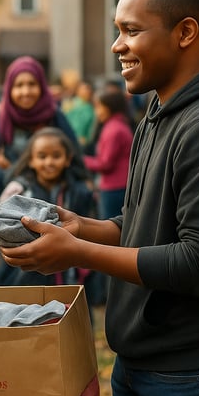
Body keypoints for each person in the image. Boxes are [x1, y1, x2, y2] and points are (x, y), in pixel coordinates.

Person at [0, 0, 199, 396]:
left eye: (131, 30)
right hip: (144, 361)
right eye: (117, 30)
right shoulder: (158, 110)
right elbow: (146, 224)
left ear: (185, 32)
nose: (117, 45)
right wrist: (79, 227)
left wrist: (77, 253)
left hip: (197, 372)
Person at [0, 55, 84, 285]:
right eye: (19, 85)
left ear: (42, 87)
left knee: (56, 279)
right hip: (8, 213)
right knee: (12, 281)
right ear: (9, 88)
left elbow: (77, 163)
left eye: (31, 84)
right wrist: (21, 177)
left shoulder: (55, 117)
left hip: (54, 211)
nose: (26, 91)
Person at [0, 126, 93, 288]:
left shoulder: (80, 192)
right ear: (31, 160)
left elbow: (88, 227)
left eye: (56, 156)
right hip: (24, 270)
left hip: (70, 266)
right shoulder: (17, 192)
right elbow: (1, 226)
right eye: (42, 156)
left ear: (68, 159)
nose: (49, 162)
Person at [81, 89, 134, 305]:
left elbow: (105, 163)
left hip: (113, 189)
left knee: (109, 241)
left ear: (109, 107)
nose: (97, 111)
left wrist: (80, 159)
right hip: (115, 187)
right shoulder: (118, 126)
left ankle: (108, 294)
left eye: (99, 106)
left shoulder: (113, 130)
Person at [62, 80, 96, 148]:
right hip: (77, 142)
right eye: (84, 89)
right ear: (77, 91)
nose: (87, 91)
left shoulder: (90, 105)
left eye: (89, 88)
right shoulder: (72, 105)